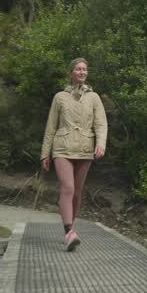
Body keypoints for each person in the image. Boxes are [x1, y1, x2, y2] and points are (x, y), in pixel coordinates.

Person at [40, 57, 107, 251]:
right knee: (68, 188)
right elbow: (50, 127)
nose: (82, 72)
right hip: (62, 148)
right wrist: (45, 153)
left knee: (77, 192)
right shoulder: (59, 97)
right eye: (78, 69)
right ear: (71, 73)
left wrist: (100, 143)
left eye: (84, 69)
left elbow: (101, 123)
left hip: (85, 149)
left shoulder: (94, 98)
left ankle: (71, 228)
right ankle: (69, 231)